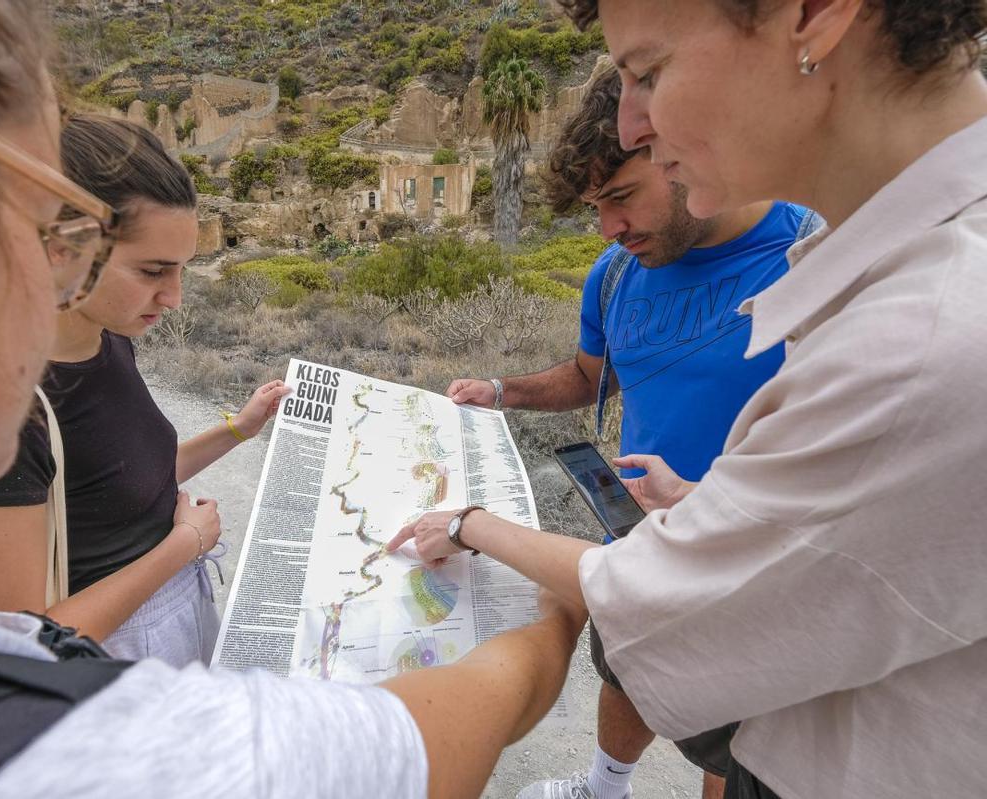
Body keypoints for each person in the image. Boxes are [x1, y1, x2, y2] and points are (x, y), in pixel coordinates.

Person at [0, 3, 585, 798]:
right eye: (47, 232)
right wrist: (566, 606)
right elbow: (430, 742)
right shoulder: (20, 739)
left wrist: (235, 431)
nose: (64, 283)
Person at [393, 1, 987, 797]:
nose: (634, 120)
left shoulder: (924, 341)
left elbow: (654, 605)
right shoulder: (901, 274)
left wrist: (473, 525)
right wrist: (714, 501)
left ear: (812, 15)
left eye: (648, 71)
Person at [449, 59, 816, 799]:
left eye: (620, 196)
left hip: (757, 577)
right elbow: (591, 377)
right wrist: (502, 391)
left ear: (688, 150)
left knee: (740, 744)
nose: (610, 229)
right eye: (595, 207)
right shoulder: (617, 273)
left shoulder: (812, 256)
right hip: (636, 549)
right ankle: (604, 786)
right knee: (624, 670)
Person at [0, 114, 288, 667]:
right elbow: (8, 652)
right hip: (109, 669)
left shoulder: (109, 338)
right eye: (153, 271)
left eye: (182, 271)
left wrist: (236, 430)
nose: (173, 297)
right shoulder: (4, 409)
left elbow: (121, 486)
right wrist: (183, 547)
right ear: (61, 249)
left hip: (167, 643)